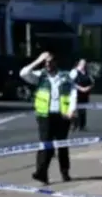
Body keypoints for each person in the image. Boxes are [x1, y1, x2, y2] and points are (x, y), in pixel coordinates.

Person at [20, 51, 75, 184]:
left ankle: (65, 171)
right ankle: (41, 173)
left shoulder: (65, 76)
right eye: (45, 62)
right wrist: (38, 60)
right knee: (45, 144)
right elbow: (23, 73)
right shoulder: (40, 76)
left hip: (62, 115)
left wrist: (71, 110)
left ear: (56, 62)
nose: (47, 64)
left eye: (50, 62)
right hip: (45, 115)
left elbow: (73, 92)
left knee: (62, 145)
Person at [70, 58, 94, 132]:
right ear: (78, 64)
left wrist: (88, 88)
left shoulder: (87, 72)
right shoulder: (74, 71)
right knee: (74, 110)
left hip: (85, 95)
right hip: (75, 94)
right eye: (82, 63)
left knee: (83, 110)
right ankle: (74, 124)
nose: (83, 65)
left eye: (85, 63)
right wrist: (80, 88)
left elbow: (92, 82)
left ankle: (82, 126)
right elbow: (70, 82)